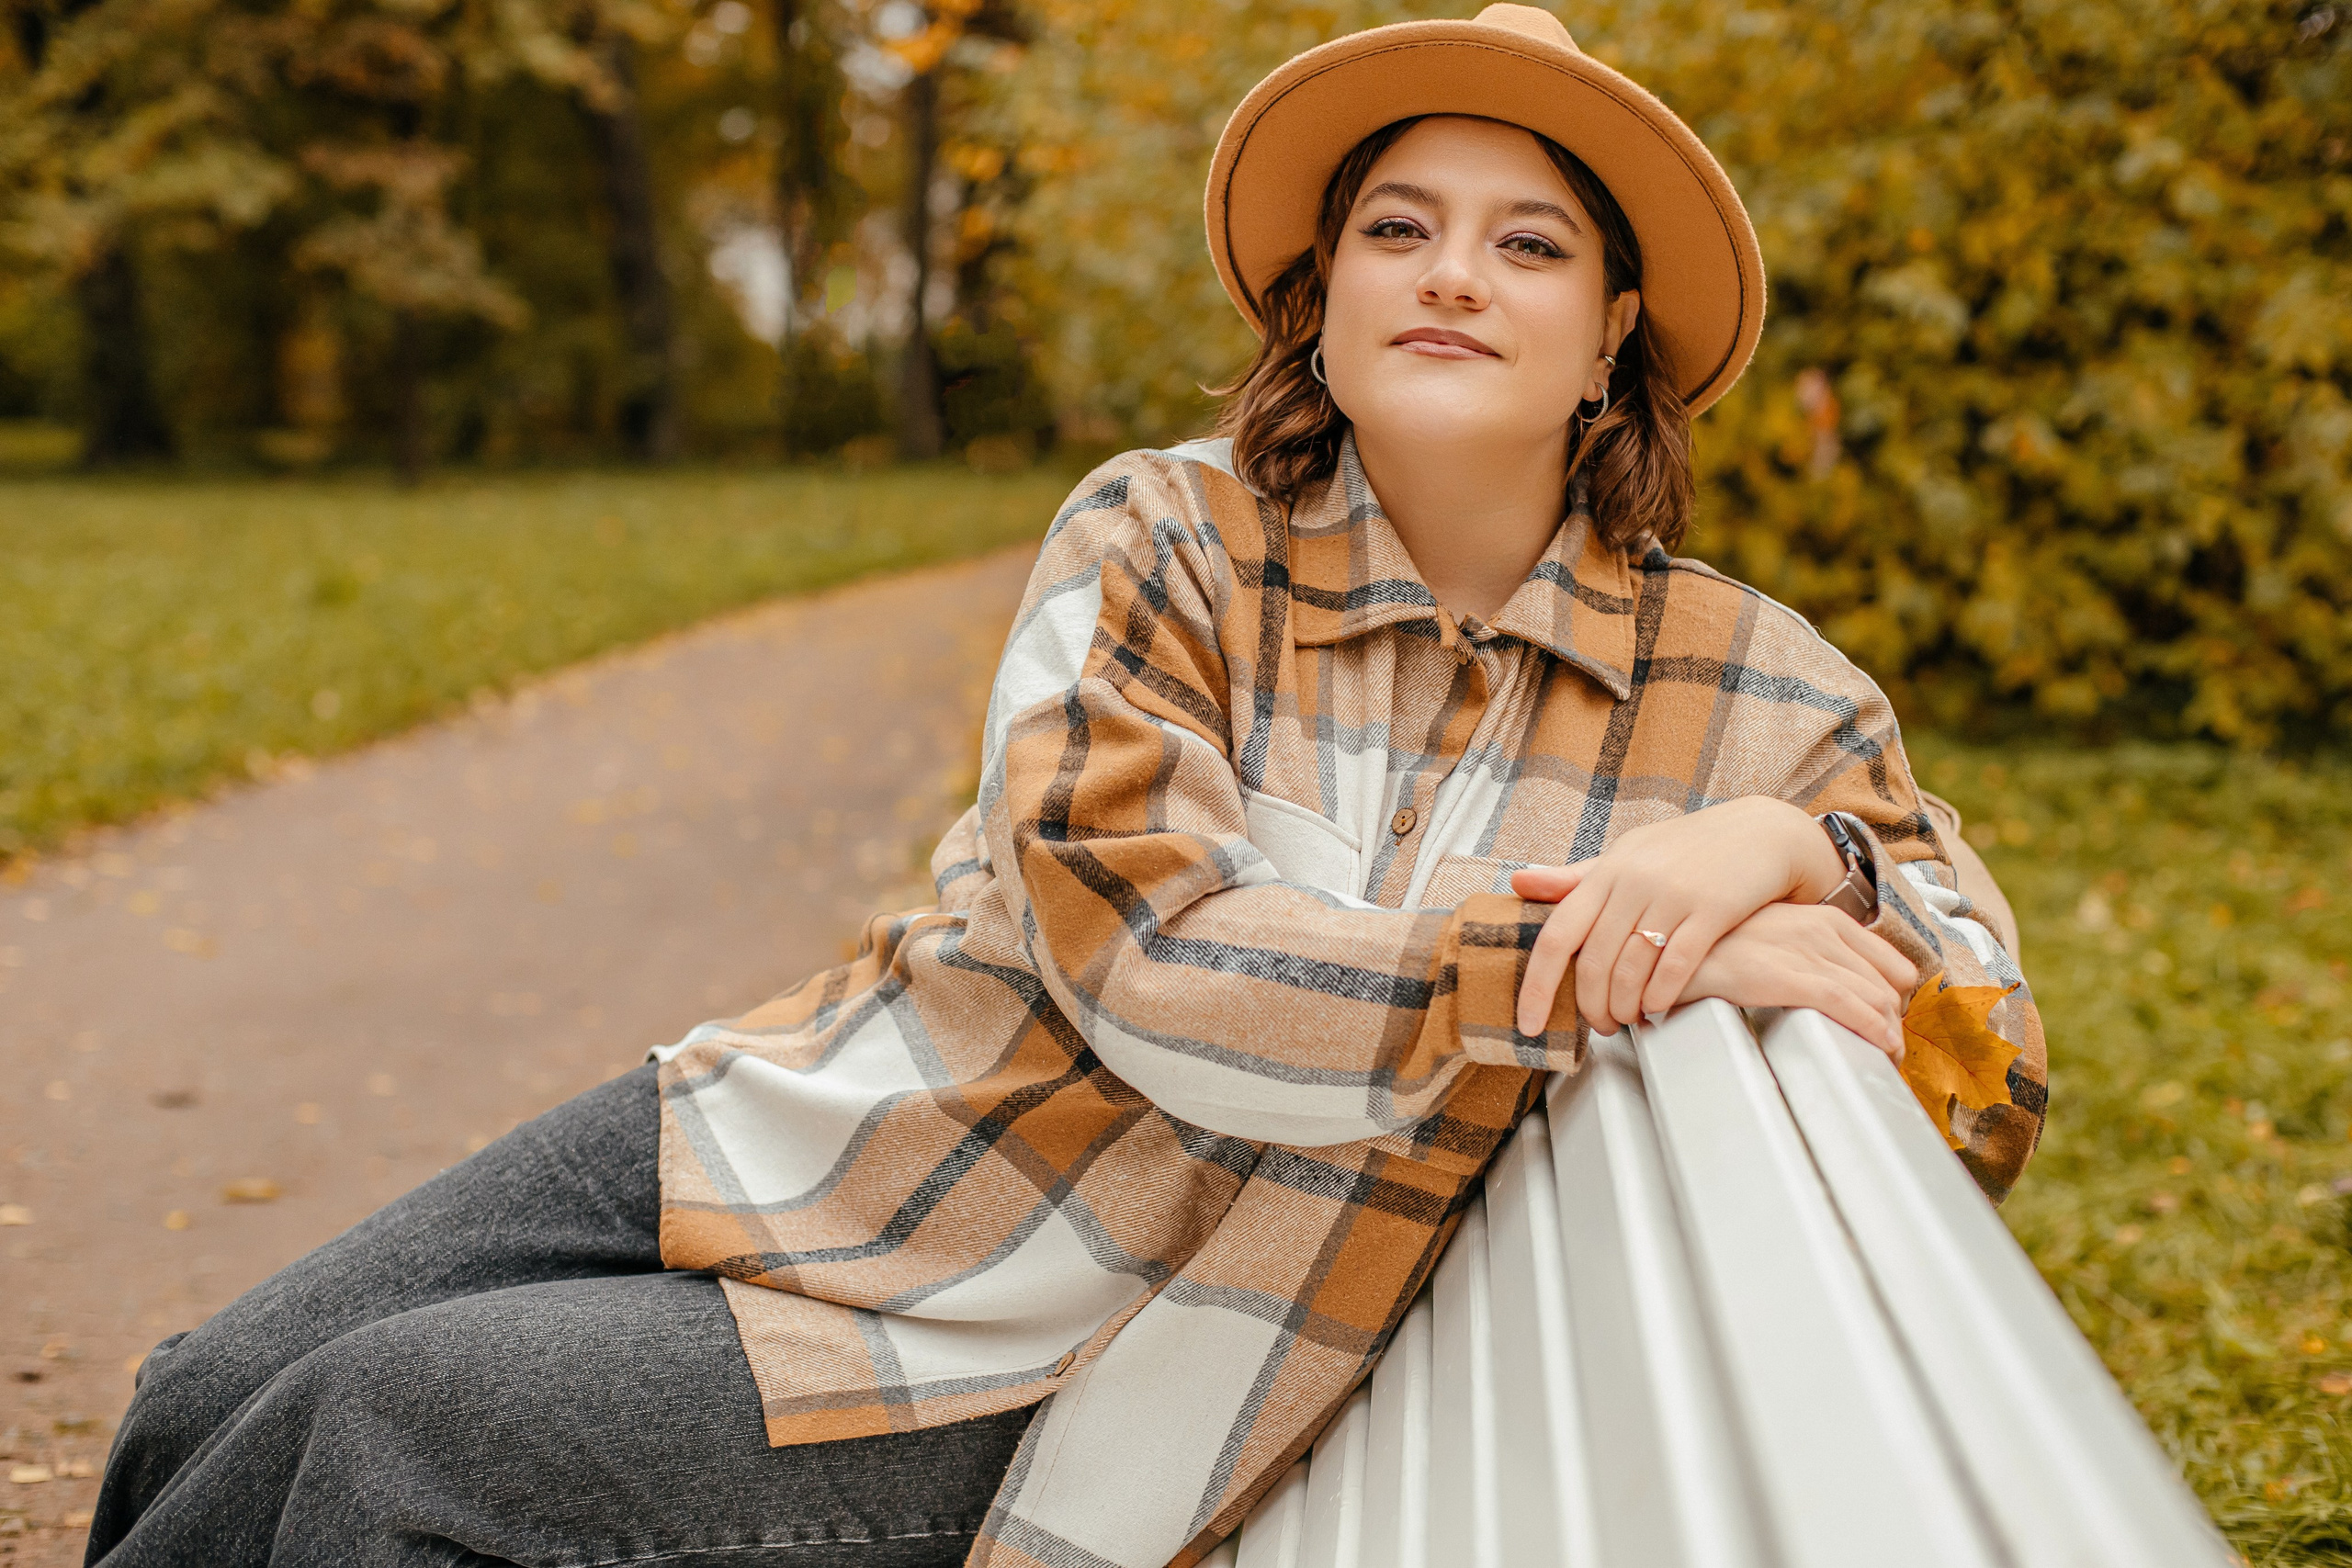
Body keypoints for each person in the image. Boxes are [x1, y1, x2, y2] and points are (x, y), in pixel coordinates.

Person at [83, 8, 2046, 1568]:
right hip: (849, 1107)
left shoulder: (1740, 683)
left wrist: (1782, 839)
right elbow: (1139, 952)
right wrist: (1590, 945)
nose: (1452, 274)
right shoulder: (1163, 535)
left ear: (1613, 330)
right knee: (211, 1382)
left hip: (1067, 1330)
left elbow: (1985, 1055)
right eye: (1396, 225)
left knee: (381, 1432)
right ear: (1322, 298)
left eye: (1527, 241)